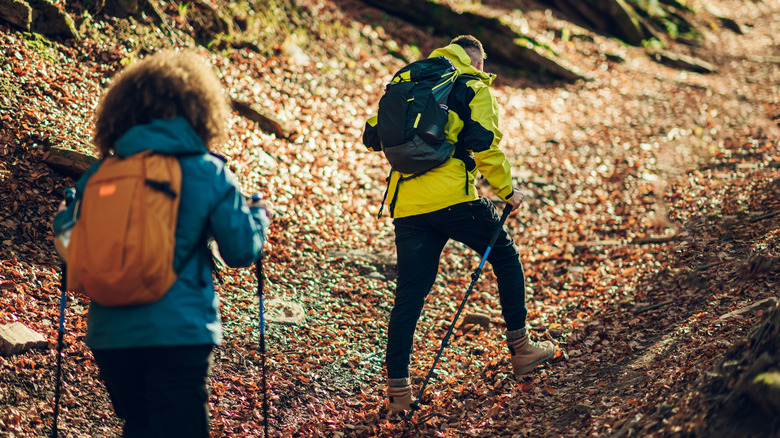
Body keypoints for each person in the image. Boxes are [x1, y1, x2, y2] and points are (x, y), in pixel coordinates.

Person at [52, 49, 269, 437]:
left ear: (122, 111)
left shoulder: (101, 174)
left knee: (140, 423)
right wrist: (257, 218)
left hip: (110, 335)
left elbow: (69, 239)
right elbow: (239, 252)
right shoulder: (208, 171)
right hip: (179, 331)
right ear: (198, 109)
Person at [362, 35, 556, 413]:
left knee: (409, 295)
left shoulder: (410, 81)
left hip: (408, 207)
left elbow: (373, 134)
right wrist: (507, 190)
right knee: (505, 255)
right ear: (478, 62)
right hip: (454, 200)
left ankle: (399, 394)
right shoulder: (471, 85)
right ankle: (522, 350)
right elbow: (484, 145)